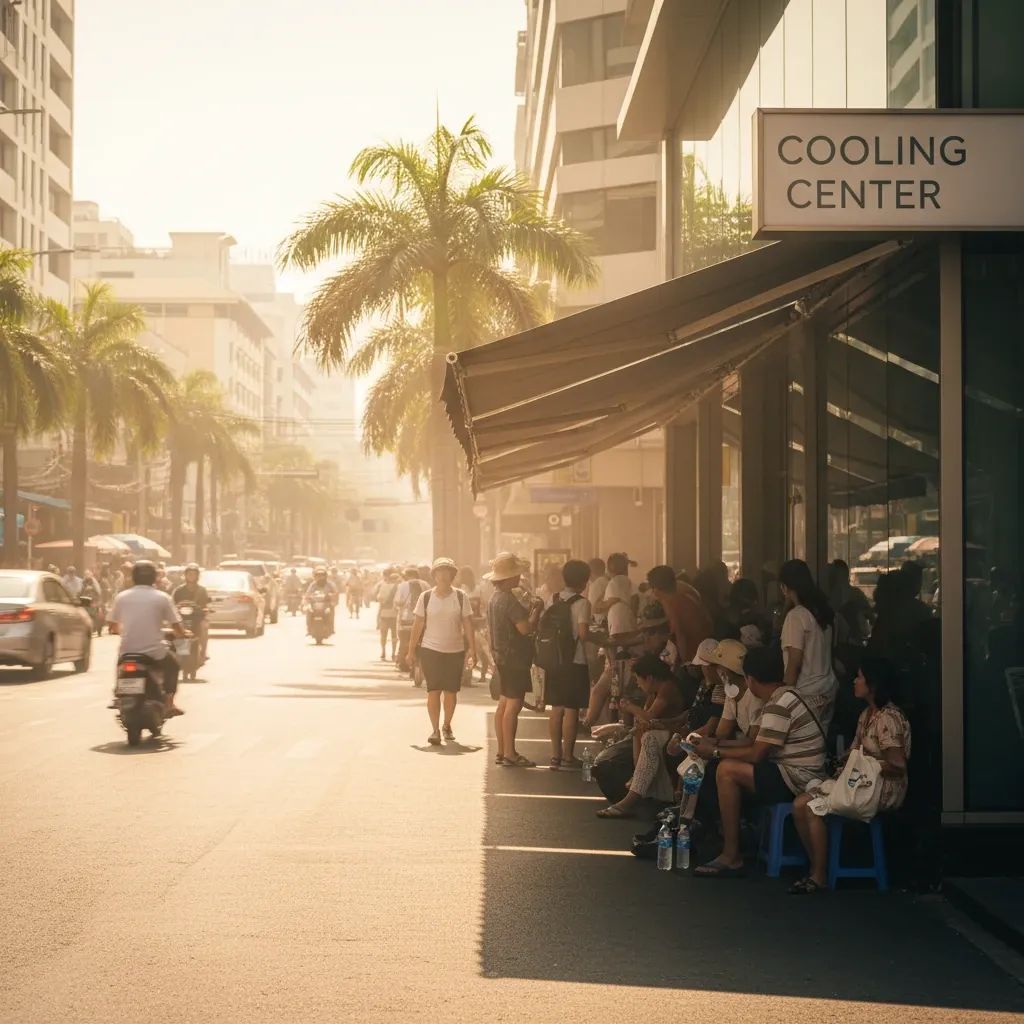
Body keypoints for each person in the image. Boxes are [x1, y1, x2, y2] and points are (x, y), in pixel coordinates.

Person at [693, 645, 826, 877]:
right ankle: (736, 840)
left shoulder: (778, 705)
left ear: (751, 679)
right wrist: (715, 746)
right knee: (721, 767)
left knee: (726, 770)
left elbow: (756, 754)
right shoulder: (785, 695)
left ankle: (731, 854)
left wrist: (715, 752)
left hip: (798, 778)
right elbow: (755, 746)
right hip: (794, 772)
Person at [789, 658, 911, 894]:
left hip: (883, 789)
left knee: (813, 808)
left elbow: (898, 766)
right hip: (861, 783)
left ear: (873, 685)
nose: (855, 681)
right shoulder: (866, 715)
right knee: (799, 803)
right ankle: (817, 868)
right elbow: (853, 752)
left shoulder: (888, 718)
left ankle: (819, 876)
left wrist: (866, 765)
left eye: (860, 677)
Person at [596, 654, 689, 818]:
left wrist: (630, 707)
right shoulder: (654, 692)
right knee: (641, 733)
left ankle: (631, 796)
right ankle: (637, 778)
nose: (638, 684)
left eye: (638, 679)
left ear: (650, 678)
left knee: (649, 737)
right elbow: (643, 721)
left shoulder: (667, 688)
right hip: (662, 731)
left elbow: (650, 716)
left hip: (674, 733)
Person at [407, 557, 476, 746]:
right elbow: (418, 624)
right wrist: (410, 650)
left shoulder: (461, 596)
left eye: (447, 572)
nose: (443, 575)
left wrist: (472, 649)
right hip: (431, 649)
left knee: (451, 691)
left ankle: (447, 725)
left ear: (452, 575)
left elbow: (467, 623)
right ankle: (435, 730)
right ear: (434, 575)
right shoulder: (426, 597)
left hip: (455, 650)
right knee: (434, 690)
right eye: (439, 572)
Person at [108, 560, 187, 716]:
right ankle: (169, 703)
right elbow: (177, 627)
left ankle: (118, 695)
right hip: (154, 651)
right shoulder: (162, 597)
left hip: (127, 650)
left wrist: (125, 632)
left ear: (133, 577)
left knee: (121, 663)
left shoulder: (121, 597)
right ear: (154, 577)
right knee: (173, 666)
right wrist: (182, 634)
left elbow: (112, 626)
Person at [485, 552, 543, 767]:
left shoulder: (494, 598)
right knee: (514, 704)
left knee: (504, 703)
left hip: (501, 656)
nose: (519, 578)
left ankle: (502, 751)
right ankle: (510, 753)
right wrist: (537, 611)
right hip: (515, 658)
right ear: (508, 578)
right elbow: (525, 628)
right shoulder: (509, 600)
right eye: (516, 575)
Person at [778, 558, 839, 731]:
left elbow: (794, 661)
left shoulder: (796, 616)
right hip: (828, 689)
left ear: (784, 587)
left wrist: (784, 696)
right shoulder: (823, 613)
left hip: (806, 694)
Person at [543, 559, 592, 770]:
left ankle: (555, 756)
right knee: (571, 710)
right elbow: (583, 634)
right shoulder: (583, 603)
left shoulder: (552, 599)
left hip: (554, 661)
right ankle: (568, 757)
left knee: (556, 708)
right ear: (584, 581)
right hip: (575, 661)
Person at [646, 564, 713, 664]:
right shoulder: (684, 596)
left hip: (695, 657)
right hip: (705, 650)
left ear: (657, 589)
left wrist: (684, 665)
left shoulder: (674, 604)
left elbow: (681, 636)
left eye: (652, 588)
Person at [172, 563, 211, 664]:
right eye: (189, 574)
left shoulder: (202, 590)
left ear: (197, 576)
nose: (191, 576)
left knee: (204, 626)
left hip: (197, 617)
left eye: (194, 574)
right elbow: (173, 604)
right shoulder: (179, 590)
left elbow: (205, 604)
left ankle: (203, 653)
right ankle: (179, 653)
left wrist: (205, 610)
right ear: (185, 575)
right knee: (175, 630)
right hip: (182, 617)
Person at [395, 567, 429, 675]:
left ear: (407, 575)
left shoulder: (402, 585)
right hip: (422, 619)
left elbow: (397, 601)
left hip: (406, 619)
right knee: (421, 642)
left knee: (404, 642)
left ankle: (404, 664)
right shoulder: (425, 585)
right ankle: (418, 665)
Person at [303, 567, 338, 637]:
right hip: (315, 603)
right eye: (318, 576)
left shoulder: (330, 584)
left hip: (327, 603)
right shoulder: (313, 585)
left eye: (322, 575)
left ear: (325, 576)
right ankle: (309, 629)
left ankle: (331, 628)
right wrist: (307, 599)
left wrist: (332, 596)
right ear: (315, 576)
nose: (320, 577)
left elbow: (335, 592)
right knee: (308, 612)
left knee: (331, 612)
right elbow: (308, 593)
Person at [376, 569, 400, 661]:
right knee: (394, 635)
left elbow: (379, 599)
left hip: (384, 614)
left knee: (383, 635)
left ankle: (383, 652)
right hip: (395, 614)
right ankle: (393, 654)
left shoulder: (382, 586)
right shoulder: (399, 587)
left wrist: (377, 619)